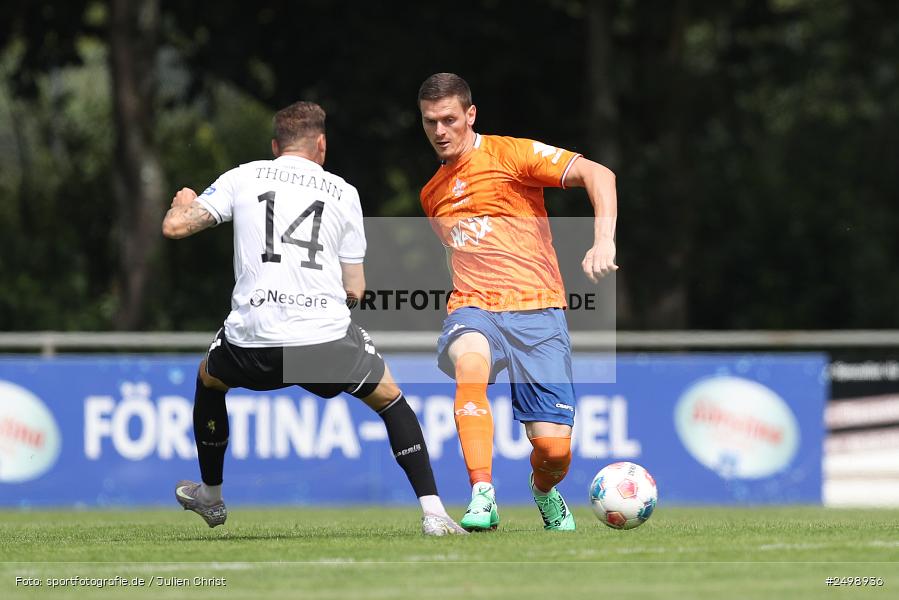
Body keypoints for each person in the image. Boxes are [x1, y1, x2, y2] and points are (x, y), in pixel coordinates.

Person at [162, 100, 466, 536]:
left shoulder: (242, 176)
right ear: (321, 144)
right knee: (390, 400)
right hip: (323, 342)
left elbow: (175, 227)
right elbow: (356, 288)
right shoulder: (343, 192)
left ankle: (211, 493)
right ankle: (434, 513)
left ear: (275, 146)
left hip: (252, 342)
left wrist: (184, 202)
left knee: (209, 378)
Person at [417, 73, 618, 532]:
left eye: (449, 119)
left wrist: (603, 240)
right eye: (430, 122)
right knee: (470, 366)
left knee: (553, 450)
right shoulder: (432, 194)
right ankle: (482, 493)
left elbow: (598, 174)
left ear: (470, 115)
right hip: (474, 306)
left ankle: (543, 490)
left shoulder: (511, 154)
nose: (440, 131)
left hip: (538, 308)